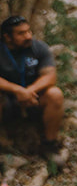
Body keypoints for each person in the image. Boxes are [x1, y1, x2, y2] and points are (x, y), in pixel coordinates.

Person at [0, 15, 66, 167]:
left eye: (29, 31)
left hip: (33, 98)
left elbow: (50, 76)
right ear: (7, 37)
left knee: (55, 94)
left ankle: (49, 146)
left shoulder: (38, 47)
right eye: (21, 33)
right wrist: (17, 90)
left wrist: (29, 91)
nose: (28, 36)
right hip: (6, 100)